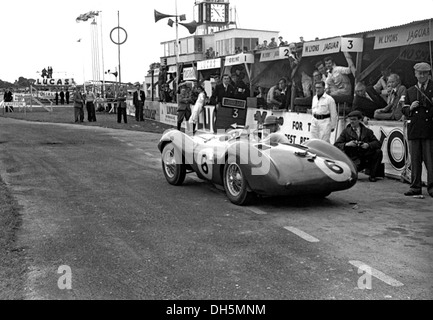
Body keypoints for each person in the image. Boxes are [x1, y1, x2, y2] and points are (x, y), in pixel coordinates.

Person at [401, 62, 433, 197]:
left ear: (429, 74)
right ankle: (415, 186)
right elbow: (403, 109)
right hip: (415, 129)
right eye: (419, 73)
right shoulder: (410, 91)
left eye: (425, 73)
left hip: (429, 129)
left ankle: (431, 188)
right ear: (415, 74)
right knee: (415, 160)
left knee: (430, 160)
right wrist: (410, 108)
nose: (422, 75)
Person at [334, 110, 383, 182]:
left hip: (365, 157)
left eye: (354, 120)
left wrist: (368, 145)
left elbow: (377, 143)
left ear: (360, 120)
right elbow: (336, 145)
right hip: (353, 159)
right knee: (352, 175)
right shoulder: (346, 132)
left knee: (378, 152)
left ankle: (373, 175)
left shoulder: (367, 131)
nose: (351, 122)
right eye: (350, 120)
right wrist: (347, 144)